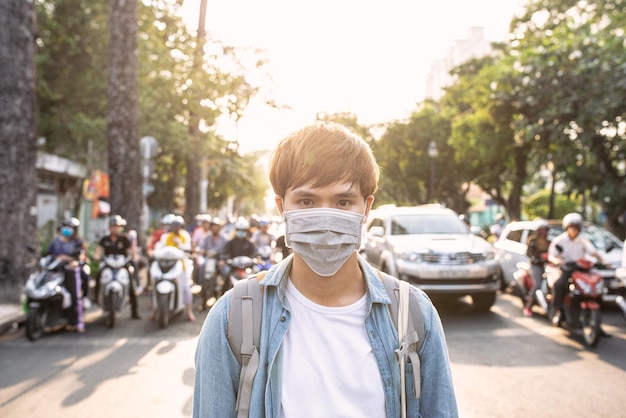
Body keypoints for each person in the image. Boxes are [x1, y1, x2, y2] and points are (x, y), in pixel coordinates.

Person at [193, 122, 457, 417]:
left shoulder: (414, 315)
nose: (326, 217)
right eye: (307, 201)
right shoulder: (232, 319)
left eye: (343, 201)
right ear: (282, 208)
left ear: (366, 208)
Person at [548, 212, 604, 326]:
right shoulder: (559, 240)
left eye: (576, 227)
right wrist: (558, 261)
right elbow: (551, 256)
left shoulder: (583, 241)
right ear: (567, 227)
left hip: (581, 270)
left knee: (596, 287)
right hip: (567, 270)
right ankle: (557, 310)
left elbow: (594, 253)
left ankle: (597, 322)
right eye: (572, 227)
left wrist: (604, 262)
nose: (574, 230)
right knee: (559, 285)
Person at [92, 215, 141, 319]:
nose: (115, 228)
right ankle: (95, 297)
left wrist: (134, 256)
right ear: (109, 227)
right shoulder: (105, 239)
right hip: (108, 263)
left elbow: (130, 250)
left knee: (131, 283)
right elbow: (99, 249)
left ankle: (134, 310)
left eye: (117, 226)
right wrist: (96, 256)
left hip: (122, 264)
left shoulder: (124, 239)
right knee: (99, 275)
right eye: (113, 226)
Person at [46, 217, 90, 333]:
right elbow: (48, 254)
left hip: (70, 270)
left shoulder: (77, 242)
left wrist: (70, 260)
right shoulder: (55, 241)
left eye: (71, 228)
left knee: (75, 296)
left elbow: (80, 257)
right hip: (56, 270)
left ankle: (78, 322)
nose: (68, 230)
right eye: (66, 227)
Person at [153, 214, 195, 321]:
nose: (176, 228)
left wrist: (179, 244)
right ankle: (155, 310)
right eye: (174, 226)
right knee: (155, 281)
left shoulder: (184, 236)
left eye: (178, 226)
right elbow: (159, 248)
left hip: (180, 264)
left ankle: (189, 311)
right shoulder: (165, 236)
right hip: (166, 263)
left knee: (186, 287)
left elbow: (188, 249)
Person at [217, 217, 257, 289]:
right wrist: (224, 259)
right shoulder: (230, 242)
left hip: (247, 268)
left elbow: (255, 253)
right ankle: (223, 293)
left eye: (243, 230)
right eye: (239, 230)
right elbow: (224, 253)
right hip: (233, 268)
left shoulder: (250, 243)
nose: (241, 232)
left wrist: (256, 259)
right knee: (226, 275)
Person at [522, 219, 551, 317]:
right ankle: (528, 306)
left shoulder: (549, 242)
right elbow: (529, 253)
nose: (543, 232)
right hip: (536, 265)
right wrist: (537, 258)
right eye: (541, 230)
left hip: (548, 265)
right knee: (538, 284)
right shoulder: (532, 240)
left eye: (545, 230)